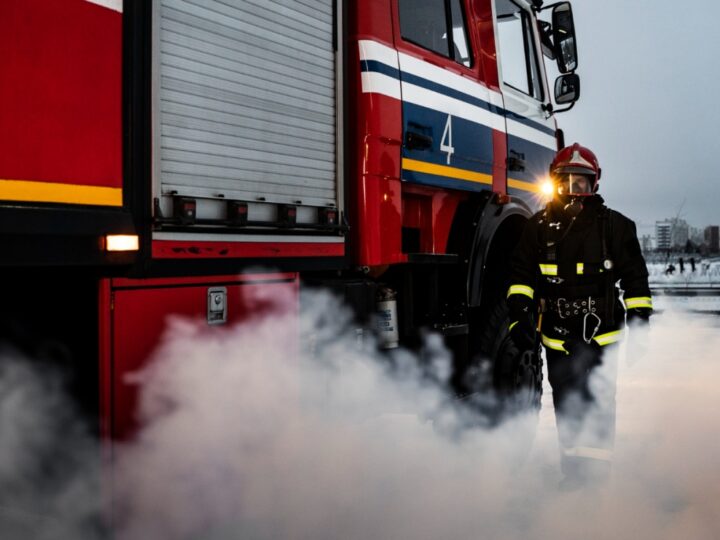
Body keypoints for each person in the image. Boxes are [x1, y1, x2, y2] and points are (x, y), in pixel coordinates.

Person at [506, 143, 652, 489]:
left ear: (594, 185)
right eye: (566, 182)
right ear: (553, 183)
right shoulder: (536, 228)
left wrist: (641, 322)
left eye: (581, 183)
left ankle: (596, 480)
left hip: (602, 337)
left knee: (599, 402)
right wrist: (518, 317)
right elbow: (520, 277)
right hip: (558, 336)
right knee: (567, 403)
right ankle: (573, 475)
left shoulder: (616, 227)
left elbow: (636, 279)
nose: (573, 190)